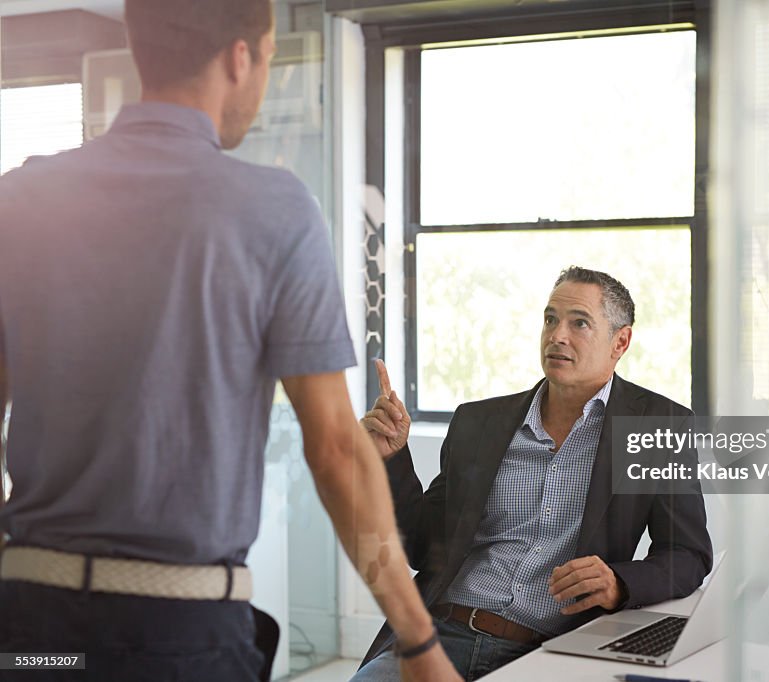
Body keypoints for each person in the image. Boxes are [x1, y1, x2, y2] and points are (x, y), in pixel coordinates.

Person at [0, 1, 459, 680]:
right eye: (271, 59)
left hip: (33, 634)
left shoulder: (20, 197)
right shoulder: (275, 210)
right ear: (240, 58)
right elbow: (335, 448)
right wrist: (418, 644)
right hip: (180, 636)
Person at [354, 267, 713, 680]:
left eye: (579, 322)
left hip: (547, 653)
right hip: (440, 635)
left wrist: (619, 582)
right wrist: (392, 460)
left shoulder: (655, 426)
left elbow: (688, 554)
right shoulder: (478, 422)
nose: (558, 335)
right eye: (550, 319)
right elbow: (422, 547)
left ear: (620, 341)